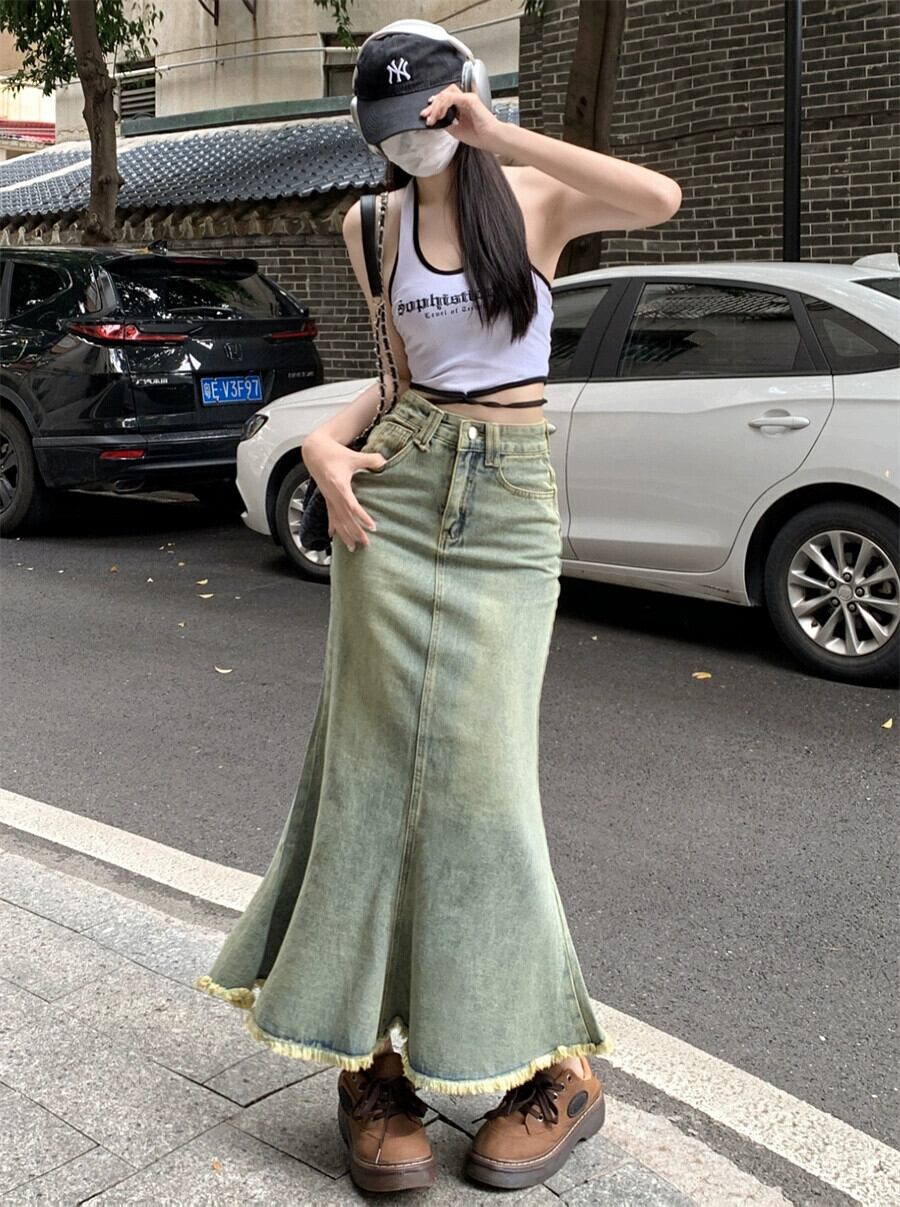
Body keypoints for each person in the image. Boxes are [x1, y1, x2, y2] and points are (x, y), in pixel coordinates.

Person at [195, 18, 681, 1196]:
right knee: (366, 774)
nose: (406, 145)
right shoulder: (369, 226)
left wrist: (499, 135)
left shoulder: (536, 200)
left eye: (422, 119)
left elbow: (658, 198)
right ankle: (370, 1067)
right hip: (398, 501)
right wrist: (324, 443)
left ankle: (557, 1068)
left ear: (459, 99)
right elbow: (402, 379)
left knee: (485, 787)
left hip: (509, 514)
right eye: (387, 130)